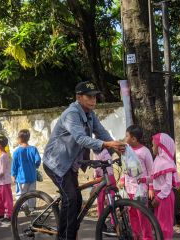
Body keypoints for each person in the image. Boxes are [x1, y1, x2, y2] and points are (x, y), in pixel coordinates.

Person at [42, 81, 125, 240]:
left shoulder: (90, 114)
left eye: (95, 96)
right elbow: (81, 138)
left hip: (70, 164)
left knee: (77, 199)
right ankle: (65, 237)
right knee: (71, 198)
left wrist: (116, 147)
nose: (93, 100)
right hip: (56, 163)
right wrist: (106, 144)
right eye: (89, 96)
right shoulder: (71, 114)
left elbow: (101, 132)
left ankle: (70, 232)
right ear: (79, 97)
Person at [119, 125, 153, 239]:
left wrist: (151, 187)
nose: (125, 137)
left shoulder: (145, 152)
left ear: (133, 138)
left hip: (141, 189)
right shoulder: (126, 150)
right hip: (128, 189)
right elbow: (124, 166)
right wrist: (122, 179)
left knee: (142, 215)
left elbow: (151, 171)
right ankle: (136, 236)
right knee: (132, 214)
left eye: (126, 135)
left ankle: (147, 237)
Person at [150, 133, 180, 240]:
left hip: (164, 196)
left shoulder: (167, 163)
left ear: (161, 146)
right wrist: (144, 179)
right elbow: (155, 177)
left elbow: (168, 184)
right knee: (158, 222)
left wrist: (159, 197)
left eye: (153, 145)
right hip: (160, 195)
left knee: (165, 224)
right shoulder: (158, 160)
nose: (152, 147)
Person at [11, 129, 41, 213]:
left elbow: (14, 165)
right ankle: (31, 208)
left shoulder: (17, 151)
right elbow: (38, 160)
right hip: (32, 176)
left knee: (21, 193)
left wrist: (13, 175)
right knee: (32, 193)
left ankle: (24, 206)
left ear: (20, 138)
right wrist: (35, 166)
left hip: (21, 177)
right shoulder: (33, 149)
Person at [92, 149, 117, 234]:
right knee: (110, 201)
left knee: (102, 202)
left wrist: (95, 174)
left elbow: (96, 168)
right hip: (108, 177)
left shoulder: (101, 152)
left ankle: (103, 223)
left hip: (103, 178)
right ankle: (113, 223)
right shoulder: (106, 151)